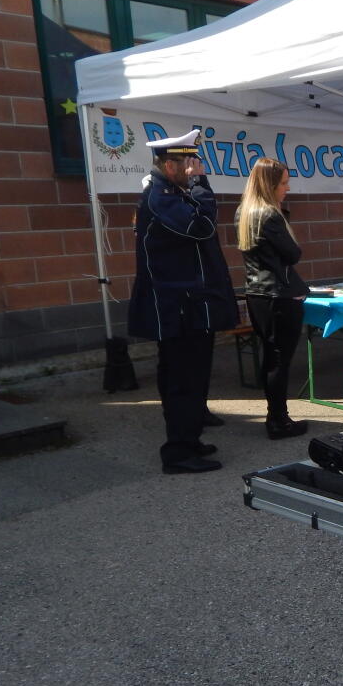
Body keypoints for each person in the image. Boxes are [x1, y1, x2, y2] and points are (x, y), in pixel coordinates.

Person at [129, 129, 237, 475]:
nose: (194, 167)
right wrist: (202, 186)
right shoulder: (161, 196)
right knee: (181, 380)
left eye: (194, 160)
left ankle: (189, 439)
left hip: (189, 306)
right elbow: (201, 227)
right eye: (188, 161)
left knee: (192, 376)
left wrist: (196, 187)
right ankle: (177, 452)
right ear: (169, 163)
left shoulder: (174, 192)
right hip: (176, 308)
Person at [236, 157, 309, 440]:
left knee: (271, 357)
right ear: (269, 186)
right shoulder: (268, 215)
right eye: (283, 183)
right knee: (280, 360)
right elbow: (293, 254)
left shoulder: (244, 211)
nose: (287, 188)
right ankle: (278, 420)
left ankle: (276, 416)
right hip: (278, 296)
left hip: (257, 294)